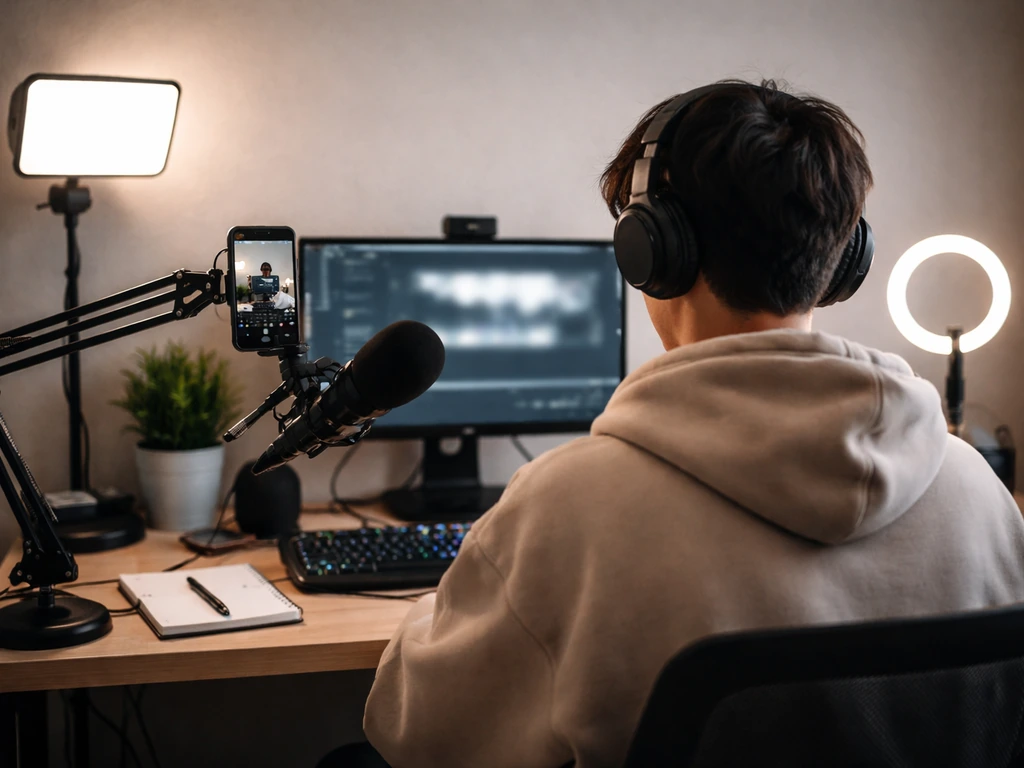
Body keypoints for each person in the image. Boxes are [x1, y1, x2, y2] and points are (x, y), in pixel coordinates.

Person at [338, 80, 1024, 768]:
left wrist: (452, 603)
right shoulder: (980, 495)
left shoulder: (567, 508)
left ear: (653, 250)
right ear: (844, 258)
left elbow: (422, 736)